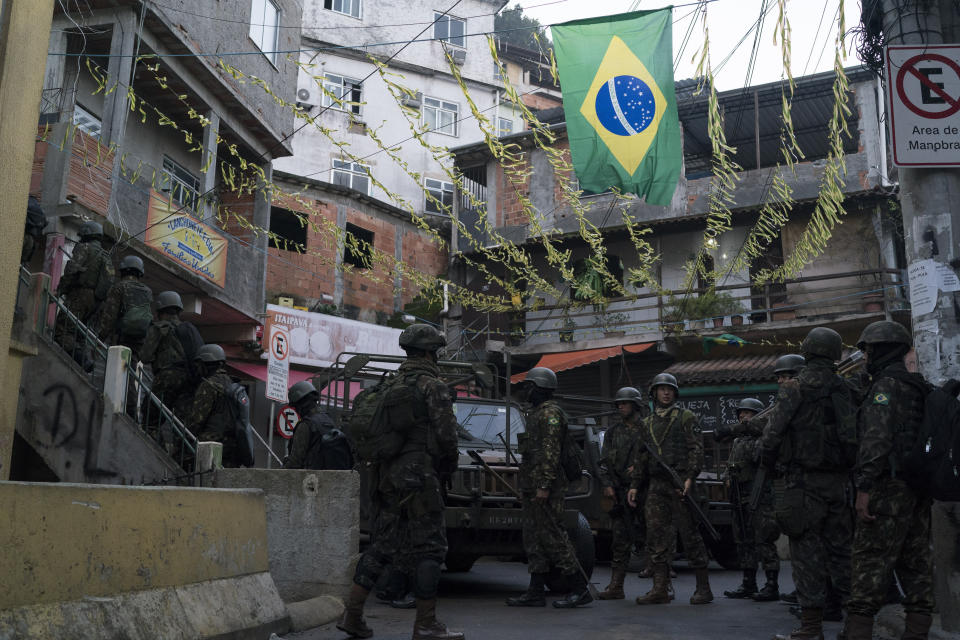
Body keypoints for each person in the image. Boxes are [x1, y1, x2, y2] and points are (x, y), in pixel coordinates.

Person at [338, 324, 464, 640]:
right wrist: (447, 467)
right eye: (435, 350)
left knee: (381, 545)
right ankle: (426, 624)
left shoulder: (390, 385)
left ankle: (352, 615)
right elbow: (448, 438)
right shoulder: (432, 386)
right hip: (420, 477)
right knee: (431, 548)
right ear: (427, 352)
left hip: (387, 478)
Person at [758, 327, 857, 640]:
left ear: (808, 350)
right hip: (841, 484)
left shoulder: (794, 388)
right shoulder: (847, 387)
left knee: (806, 556)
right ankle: (857, 628)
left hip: (804, 484)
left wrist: (768, 464)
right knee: (842, 554)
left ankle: (812, 628)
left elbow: (772, 435)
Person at [845, 321, 934, 640]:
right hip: (917, 488)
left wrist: (864, 488)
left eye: (869, 350)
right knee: (916, 565)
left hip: (887, 489)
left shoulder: (884, 387)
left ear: (882, 351)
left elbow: (877, 440)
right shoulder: (918, 385)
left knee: (868, 564)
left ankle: (857, 633)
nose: (866, 357)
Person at [505, 366, 592, 610]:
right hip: (533, 487)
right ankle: (535, 591)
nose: (525, 391)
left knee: (554, 538)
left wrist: (543, 486)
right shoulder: (536, 414)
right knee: (533, 539)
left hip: (548, 489)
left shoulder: (550, 415)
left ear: (538, 388)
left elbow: (551, 454)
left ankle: (579, 588)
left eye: (528, 386)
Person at [627, 372, 713, 606]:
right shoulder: (647, 423)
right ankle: (660, 588)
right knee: (656, 535)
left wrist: (689, 477)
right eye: (661, 389)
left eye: (670, 389)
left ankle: (703, 588)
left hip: (680, 484)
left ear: (675, 393)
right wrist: (635, 485)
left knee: (690, 535)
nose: (666, 392)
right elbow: (641, 457)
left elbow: (696, 449)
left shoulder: (686, 417)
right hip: (656, 485)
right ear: (654, 393)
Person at [714, 397, 780, 602]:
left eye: (748, 413)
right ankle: (748, 582)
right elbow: (731, 464)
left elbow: (762, 461)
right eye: (741, 413)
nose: (743, 416)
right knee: (743, 541)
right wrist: (726, 477)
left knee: (764, 540)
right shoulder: (737, 441)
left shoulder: (763, 439)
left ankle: (771, 584)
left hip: (758, 496)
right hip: (738, 497)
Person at [596, 386, 647, 600]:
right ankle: (616, 586)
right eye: (618, 404)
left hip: (644, 492)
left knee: (653, 538)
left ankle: (662, 586)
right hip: (619, 492)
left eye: (624, 403)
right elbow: (603, 462)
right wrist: (607, 484)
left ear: (635, 405)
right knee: (619, 541)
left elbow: (659, 456)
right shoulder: (612, 432)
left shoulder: (646, 429)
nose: (621, 407)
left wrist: (640, 467)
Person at [54, 220, 114, 358]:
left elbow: (71, 270)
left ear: (87, 233)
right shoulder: (106, 256)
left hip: (80, 295)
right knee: (80, 333)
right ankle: (83, 363)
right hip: (96, 302)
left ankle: (82, 360)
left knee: (62, 331)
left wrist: (60, 290)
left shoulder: (84, 247)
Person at [140, 291, 203, 419]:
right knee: (179, 421)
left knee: (150, 415)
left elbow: (144, 357)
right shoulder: (187, 329)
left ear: (159, 310)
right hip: (188, 378)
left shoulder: (159, 328)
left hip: (167, 378)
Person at [185, 344, 244, 467]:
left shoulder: (209, 385)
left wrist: (183, 440)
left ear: (206, 364)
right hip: (232, 447)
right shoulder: (232, 384)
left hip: (210, 444)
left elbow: (196, 420)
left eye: (199, 365)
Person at [283, 380, 353, 470]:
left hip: (311, 479)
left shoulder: (306, 425)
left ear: (300, 404)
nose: (296, 410)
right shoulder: (328, 420)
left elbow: (295, 462)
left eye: (295, 406)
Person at [97, 255, 154, 362]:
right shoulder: (147, 291)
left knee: (117, 365)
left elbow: (109, 316)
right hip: (140, 338)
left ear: (123, 270)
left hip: (122, 336)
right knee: (131, 366)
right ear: (140, 273)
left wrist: (100, 338)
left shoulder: (119, 287)